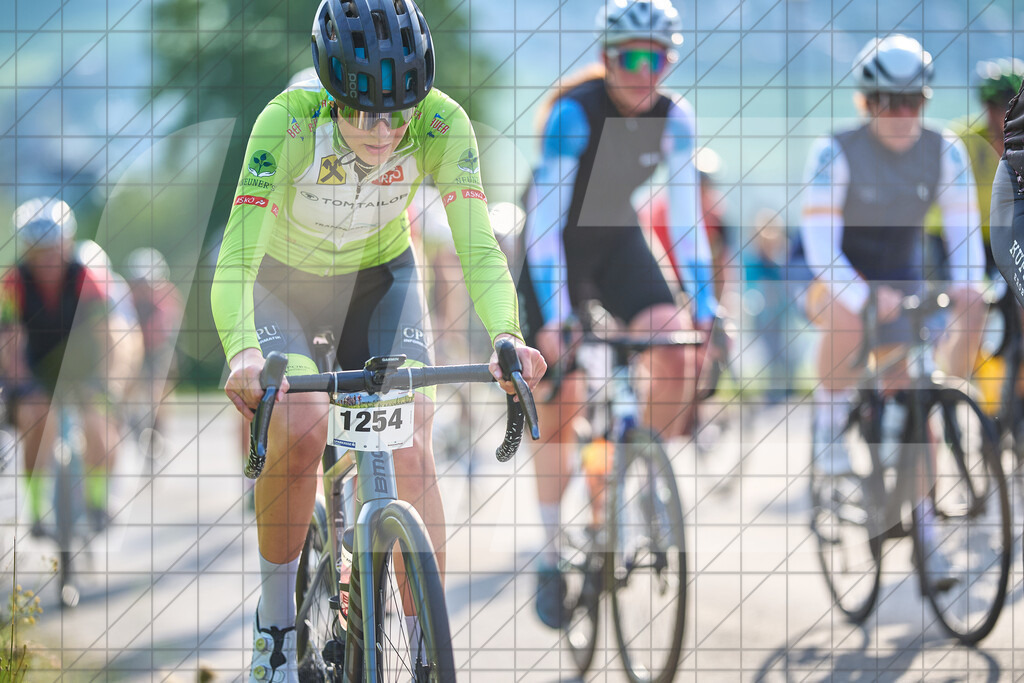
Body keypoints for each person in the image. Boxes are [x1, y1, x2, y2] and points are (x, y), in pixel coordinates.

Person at [210, 1, 545, 679]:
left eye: (399, 113)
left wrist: (507, 336)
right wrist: (243, 351)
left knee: (413, 438)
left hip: (380, 278)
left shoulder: (442, 123)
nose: (384, 130)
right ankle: (276, 631)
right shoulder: (288, 121)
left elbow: (479, 247)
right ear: (330, 92)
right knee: (302, 422)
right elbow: (238, 256)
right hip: (284, 284)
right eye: (362, 113)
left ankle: (426, 653)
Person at [517, 0, 717, 629]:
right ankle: (552, 552)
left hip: (618, 242)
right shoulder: (574, 116)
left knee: (678, 351)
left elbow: (686, 220)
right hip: (555, 253)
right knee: (563, 398)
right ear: (607, 59)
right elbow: (544, 228)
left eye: (658, 58)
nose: (644, 70)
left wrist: (706, 306)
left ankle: (637, 466)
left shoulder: (674, 117)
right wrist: (555, 315)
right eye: (630, 57)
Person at [800, 35, 986, 585]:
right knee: (848, 315)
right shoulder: (834, 151)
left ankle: (926, 534)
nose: (903, 114)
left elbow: (965, 238)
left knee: (918, 404)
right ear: (867, 102)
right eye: (889, 102)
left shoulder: (945, 150)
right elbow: (819, 248)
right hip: (837, 279)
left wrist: (968, 291)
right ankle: (830, 421)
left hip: (903, 283)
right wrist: (864, 295)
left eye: (913, 102)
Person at [0, 199, 120, 534]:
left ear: (67, 244)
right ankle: (37, 509)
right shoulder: (14, 282)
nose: (47, 259)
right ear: (27, 250)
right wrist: (23, 385)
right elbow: (9, 343)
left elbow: (108, 335)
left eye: (54, 249)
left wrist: (107, 382)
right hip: (35, 366)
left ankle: (97, 502)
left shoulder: (86, 276)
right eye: (39, 251)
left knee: (100, 426)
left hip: (84, 365)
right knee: (37, 418)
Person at [123, 247, 183, 441]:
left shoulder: (166, 296)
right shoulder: (128, 297)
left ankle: (158, 428)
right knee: (128, 381)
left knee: (159, 387)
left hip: (159, 347)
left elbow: (164, 329)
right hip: (135, 345)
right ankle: (131, 418)